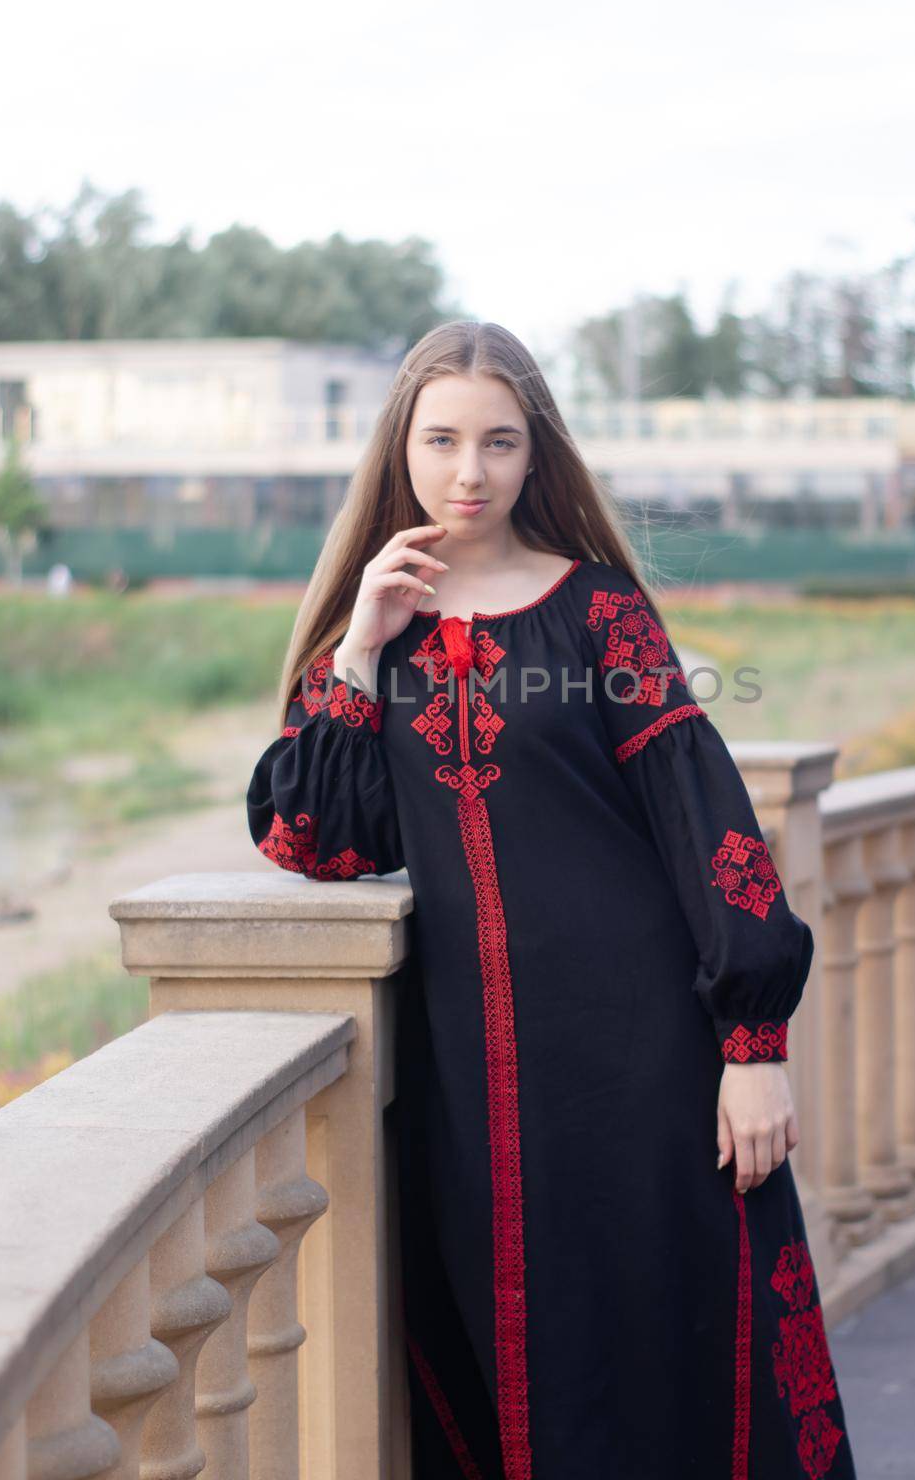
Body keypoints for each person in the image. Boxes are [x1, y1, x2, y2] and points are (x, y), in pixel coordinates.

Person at [245, 320, 858, 1480]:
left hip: (648, 1069)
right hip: (470, 1093)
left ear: (537, 456)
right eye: (440, 439)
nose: (467, 471)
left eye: (498, 442)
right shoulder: (370, 634)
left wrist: (753, 1042)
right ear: (399, 447)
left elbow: (702, 817)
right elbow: (308, 840)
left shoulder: (599, 614)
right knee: (516, 1380)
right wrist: (362, 649)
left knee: (674, 1360)